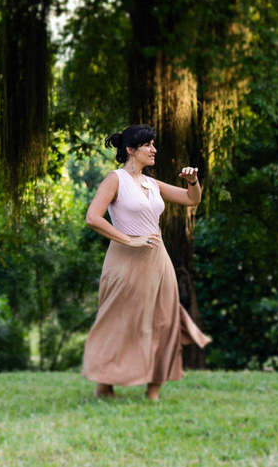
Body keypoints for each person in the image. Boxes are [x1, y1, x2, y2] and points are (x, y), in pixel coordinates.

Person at [81, 124, 212, 400]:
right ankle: (105, 385)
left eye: (154, 144)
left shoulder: (153, 184)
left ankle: (153, 390)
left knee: (164, 320)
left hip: (157, 260)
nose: (154, 150)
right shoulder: (115, 179)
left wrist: (193, 181)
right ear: (130, 150)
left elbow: (191, 200)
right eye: (148, 145)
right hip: (124, 261)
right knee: (119, 321)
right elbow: (93, 217)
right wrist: (129, 240)